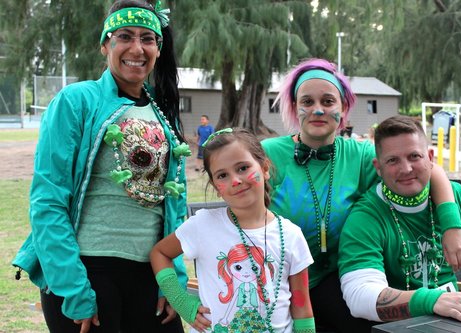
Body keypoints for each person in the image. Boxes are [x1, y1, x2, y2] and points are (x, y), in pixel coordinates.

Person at [11, 1, 191, 332]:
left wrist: (172, 280)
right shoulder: (76, 101)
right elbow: (48, 200)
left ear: (158, 49)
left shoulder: (165, 114)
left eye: (147, 39)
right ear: (105, 45)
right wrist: (73, 286)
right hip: (87, 272)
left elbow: (175, 205)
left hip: (150, 274)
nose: (137, 48)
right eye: (125, 36)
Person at [261, 58, 461, 332]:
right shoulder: (268, 154)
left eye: (327, 101)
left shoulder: (359, 155)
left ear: (343, 107)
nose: (317, 110)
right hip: (274, 285)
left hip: (331, 284)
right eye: (307, 102)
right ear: (294, 106)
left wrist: (452, 225)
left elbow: (427, 170)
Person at [338, 115, 461, 328]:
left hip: (460, 323)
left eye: (414, 156)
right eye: (393, 160)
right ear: (378, 167)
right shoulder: (366, 217)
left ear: (430, 156)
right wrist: (432, 301)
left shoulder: (457, 197)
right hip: (400, 327)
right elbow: (359, 296)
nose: (406, 169)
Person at [150, 128, 316, 333]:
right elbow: (160, 253)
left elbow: (301, 308)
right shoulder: (202, 225)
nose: (235, 181)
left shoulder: (291, 235)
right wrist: (182, 303)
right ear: (215, 185)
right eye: (222, 175)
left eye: (243, 168)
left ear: (265, 168)